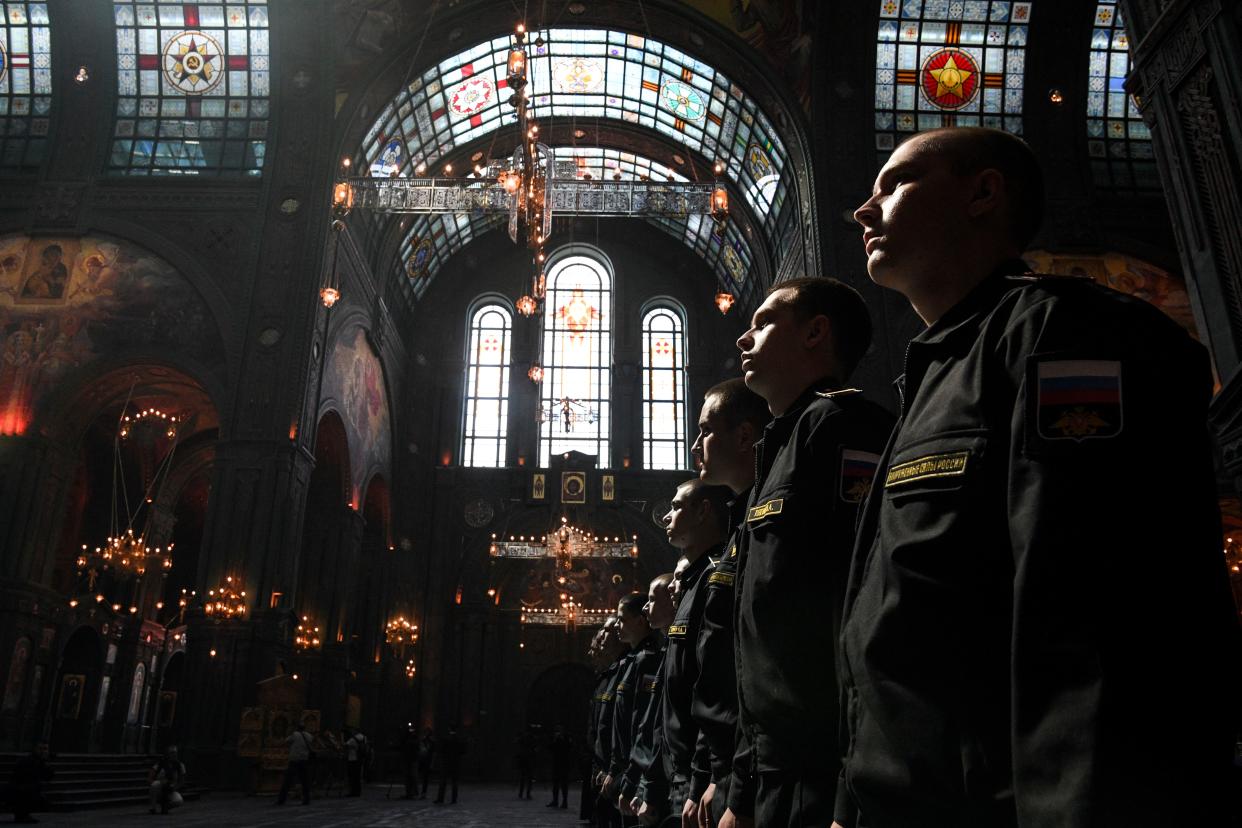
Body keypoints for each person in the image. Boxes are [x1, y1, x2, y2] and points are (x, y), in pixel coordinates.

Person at [837, 126, 1242, 827]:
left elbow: (1095, 615)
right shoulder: (934, 375)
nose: (863, 211)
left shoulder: (1067, 333)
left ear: (983, 193)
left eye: (894, 185)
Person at [721, 277, 895, 828]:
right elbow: (761, 641)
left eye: (764, 322)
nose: (744, 340)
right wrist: (742, 784)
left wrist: (854, 785)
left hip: (826, 769)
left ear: (816, 332)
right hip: (778, 767)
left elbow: (864, 609)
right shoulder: (781, 445)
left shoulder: (844, 427)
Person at [688, 379, 771, 828]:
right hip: (734, 769)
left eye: (705, 431)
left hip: (765, 772)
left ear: (743, 436)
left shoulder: (765, 509)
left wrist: (737, 780)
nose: (696, 444)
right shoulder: (743, 520)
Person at [650, 480, 731, 826]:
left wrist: (707, 775)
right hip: (683, 774)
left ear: (704, 511)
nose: (666, 516)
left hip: (702, 775)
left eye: (677, 506)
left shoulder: (716, 576)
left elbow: (715, 685)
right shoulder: (695, 582)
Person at [621, 573, 677, 826]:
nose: (646, 608)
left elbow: (656, 725)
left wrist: (644, 784)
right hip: (647, 773)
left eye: (652, 600)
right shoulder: (661, 654)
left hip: (671, 778)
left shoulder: (654, 658)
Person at [607, 590, 664, 827]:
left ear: (640, 621)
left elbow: (643, 721)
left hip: (636, 770)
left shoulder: (646, 659)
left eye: (622, 619)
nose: (618, 626)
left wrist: (631, 777)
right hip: (626, 769)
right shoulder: (632, 660)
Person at [592, 617, 626, 828]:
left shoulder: (630, 666)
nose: (600, 637)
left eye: (607, 631)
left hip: (619, 774)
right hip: (605, 769)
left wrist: (614, 770)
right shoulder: (611, 673)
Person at [6, 742, 52, 824]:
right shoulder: (28, 761)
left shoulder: (40, 761)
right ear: (35, 749)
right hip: (19, 790)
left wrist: (45, 763)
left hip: (25, 789)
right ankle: (21, 814)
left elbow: (48, 776)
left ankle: (24, 814)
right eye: (40, 749)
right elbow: (27, 777)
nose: (43, 751)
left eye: (45, 749)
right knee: (32, 792)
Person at [276, 721, 314, 805]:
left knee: (287, 780)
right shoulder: (309, 735)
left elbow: (286, 741)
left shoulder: (295, 735)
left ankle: (281, 799)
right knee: (305, 781)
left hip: (294, 759)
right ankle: (306, 799)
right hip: (304, 759)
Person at [148, 745, 185, 815]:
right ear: (168, 754)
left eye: (175, 753)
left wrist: (174, 787)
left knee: (179, 800)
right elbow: (151, 775)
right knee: (154, 785)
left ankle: (165, 807)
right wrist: (158, 783)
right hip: (159, 788)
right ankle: (153, 807)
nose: (174, 755)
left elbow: (182, 781)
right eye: (172, 753)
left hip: (170, 789)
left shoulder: (180, 765)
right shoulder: (161, 763)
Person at [434, 726, 464, 804]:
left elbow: (441, 750)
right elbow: (462, 751)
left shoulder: (446, 739)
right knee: (454, 782)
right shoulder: (458, 740)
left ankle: (441, 798)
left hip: (447, 762)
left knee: (443, 781)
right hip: (455, 763)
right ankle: (453, 799)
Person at [548, 724, 573, 808]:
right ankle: (555, 800)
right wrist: (555, 739)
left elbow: (570, 748)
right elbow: (550, 748)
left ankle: (564, 801)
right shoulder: (555, 738)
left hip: (564, 764)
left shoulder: (567, 737)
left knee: (564, 784)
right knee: (555, 783)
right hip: (556, 763)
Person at [343, 727, 369, 797]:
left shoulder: (352, 739)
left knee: (352, 776)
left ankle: (352, 792)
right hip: (360, 759)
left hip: (352, 759)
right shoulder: (364, 737)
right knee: (358, 777)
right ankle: (358, 792)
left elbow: (345, 745)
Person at [399, 723, 419, 799]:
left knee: (413, 776)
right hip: (407, 758)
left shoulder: (415, 738)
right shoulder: (405, 737)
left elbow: (416, 747)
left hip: (413, 759)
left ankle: (414, 792)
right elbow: (402, 745)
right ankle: (408, 792)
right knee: (407, 776)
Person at [515, 726, 535, 800]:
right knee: (527, 778)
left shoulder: (523, 739)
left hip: (524, 759)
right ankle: (527, 793)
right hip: (527, 759)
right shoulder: (528, 739)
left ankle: (522, 793)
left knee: (524, 777)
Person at [417, 727, 435, 798]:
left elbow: (433, 753)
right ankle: (418, 791)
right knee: (420, 776)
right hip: (422, 760)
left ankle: (423, 792)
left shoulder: (431, 742)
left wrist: (432, 763)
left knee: (425, 778)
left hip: (427, 761)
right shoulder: (423, 740)